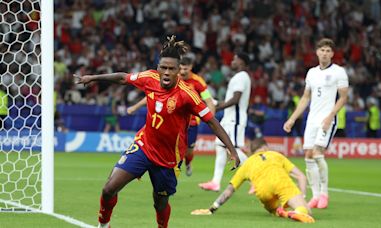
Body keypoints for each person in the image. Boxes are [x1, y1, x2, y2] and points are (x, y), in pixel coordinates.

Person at [75, 36, 240, 228]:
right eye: (163, 67)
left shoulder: (187, 95)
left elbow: (212, 122)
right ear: (158, 67)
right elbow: (122, 77)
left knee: (160, 202)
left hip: (168, 159)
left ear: (179, 71)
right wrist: (93, 78)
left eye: (171, 69)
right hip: (144, 146)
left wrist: (232, 150)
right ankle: (104, 225)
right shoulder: (149, 78)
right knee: (108, 189)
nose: (167, 72)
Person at [283, 38, 349, 209]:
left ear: (332, 54)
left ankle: (324, 194)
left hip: (327, 119)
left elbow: (343, 97)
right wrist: (292, 118)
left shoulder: (339, 72)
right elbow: (305, 97)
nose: (325, 53)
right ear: (317, 52)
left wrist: (330, 116)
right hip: (311, 119)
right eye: (322, 50)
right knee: (308, 157)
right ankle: (315, 195)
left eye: (328, 51)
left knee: (318, 153)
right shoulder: (311, 72)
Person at [191, 137, 315, 223]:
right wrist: (302, 197)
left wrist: (212, 208)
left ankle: (283, 212)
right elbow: (301, 176)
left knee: (274, 208)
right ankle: (297, 211)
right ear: (266, 147)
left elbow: (229, 191)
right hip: (280, 182)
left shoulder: (247, 163)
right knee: (306, 211)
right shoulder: (275, 154)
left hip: (263, 192)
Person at [127, 57, 216, 176]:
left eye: (186, 68)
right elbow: (152, 93)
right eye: (181, 68)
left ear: (191, 67)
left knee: (189, 151)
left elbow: (209, 100)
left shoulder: (198, 82)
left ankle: (188, 163)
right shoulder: (172, 78)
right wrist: (135, 107)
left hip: (192, 123)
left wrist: (211, 118)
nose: (183, 71)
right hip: (174, 122)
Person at [199, 53, 251, 192]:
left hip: (235, 118)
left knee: (235, 149)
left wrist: (217, 106)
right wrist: (216, 103)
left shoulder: (241, 77)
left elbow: (235, 100)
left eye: (235, 59)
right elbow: (232, 100)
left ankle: (257, 179)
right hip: (230, 118)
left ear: (242, 61)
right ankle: (216, 182)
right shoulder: (240, 77)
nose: (232, 61)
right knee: (220, 146)